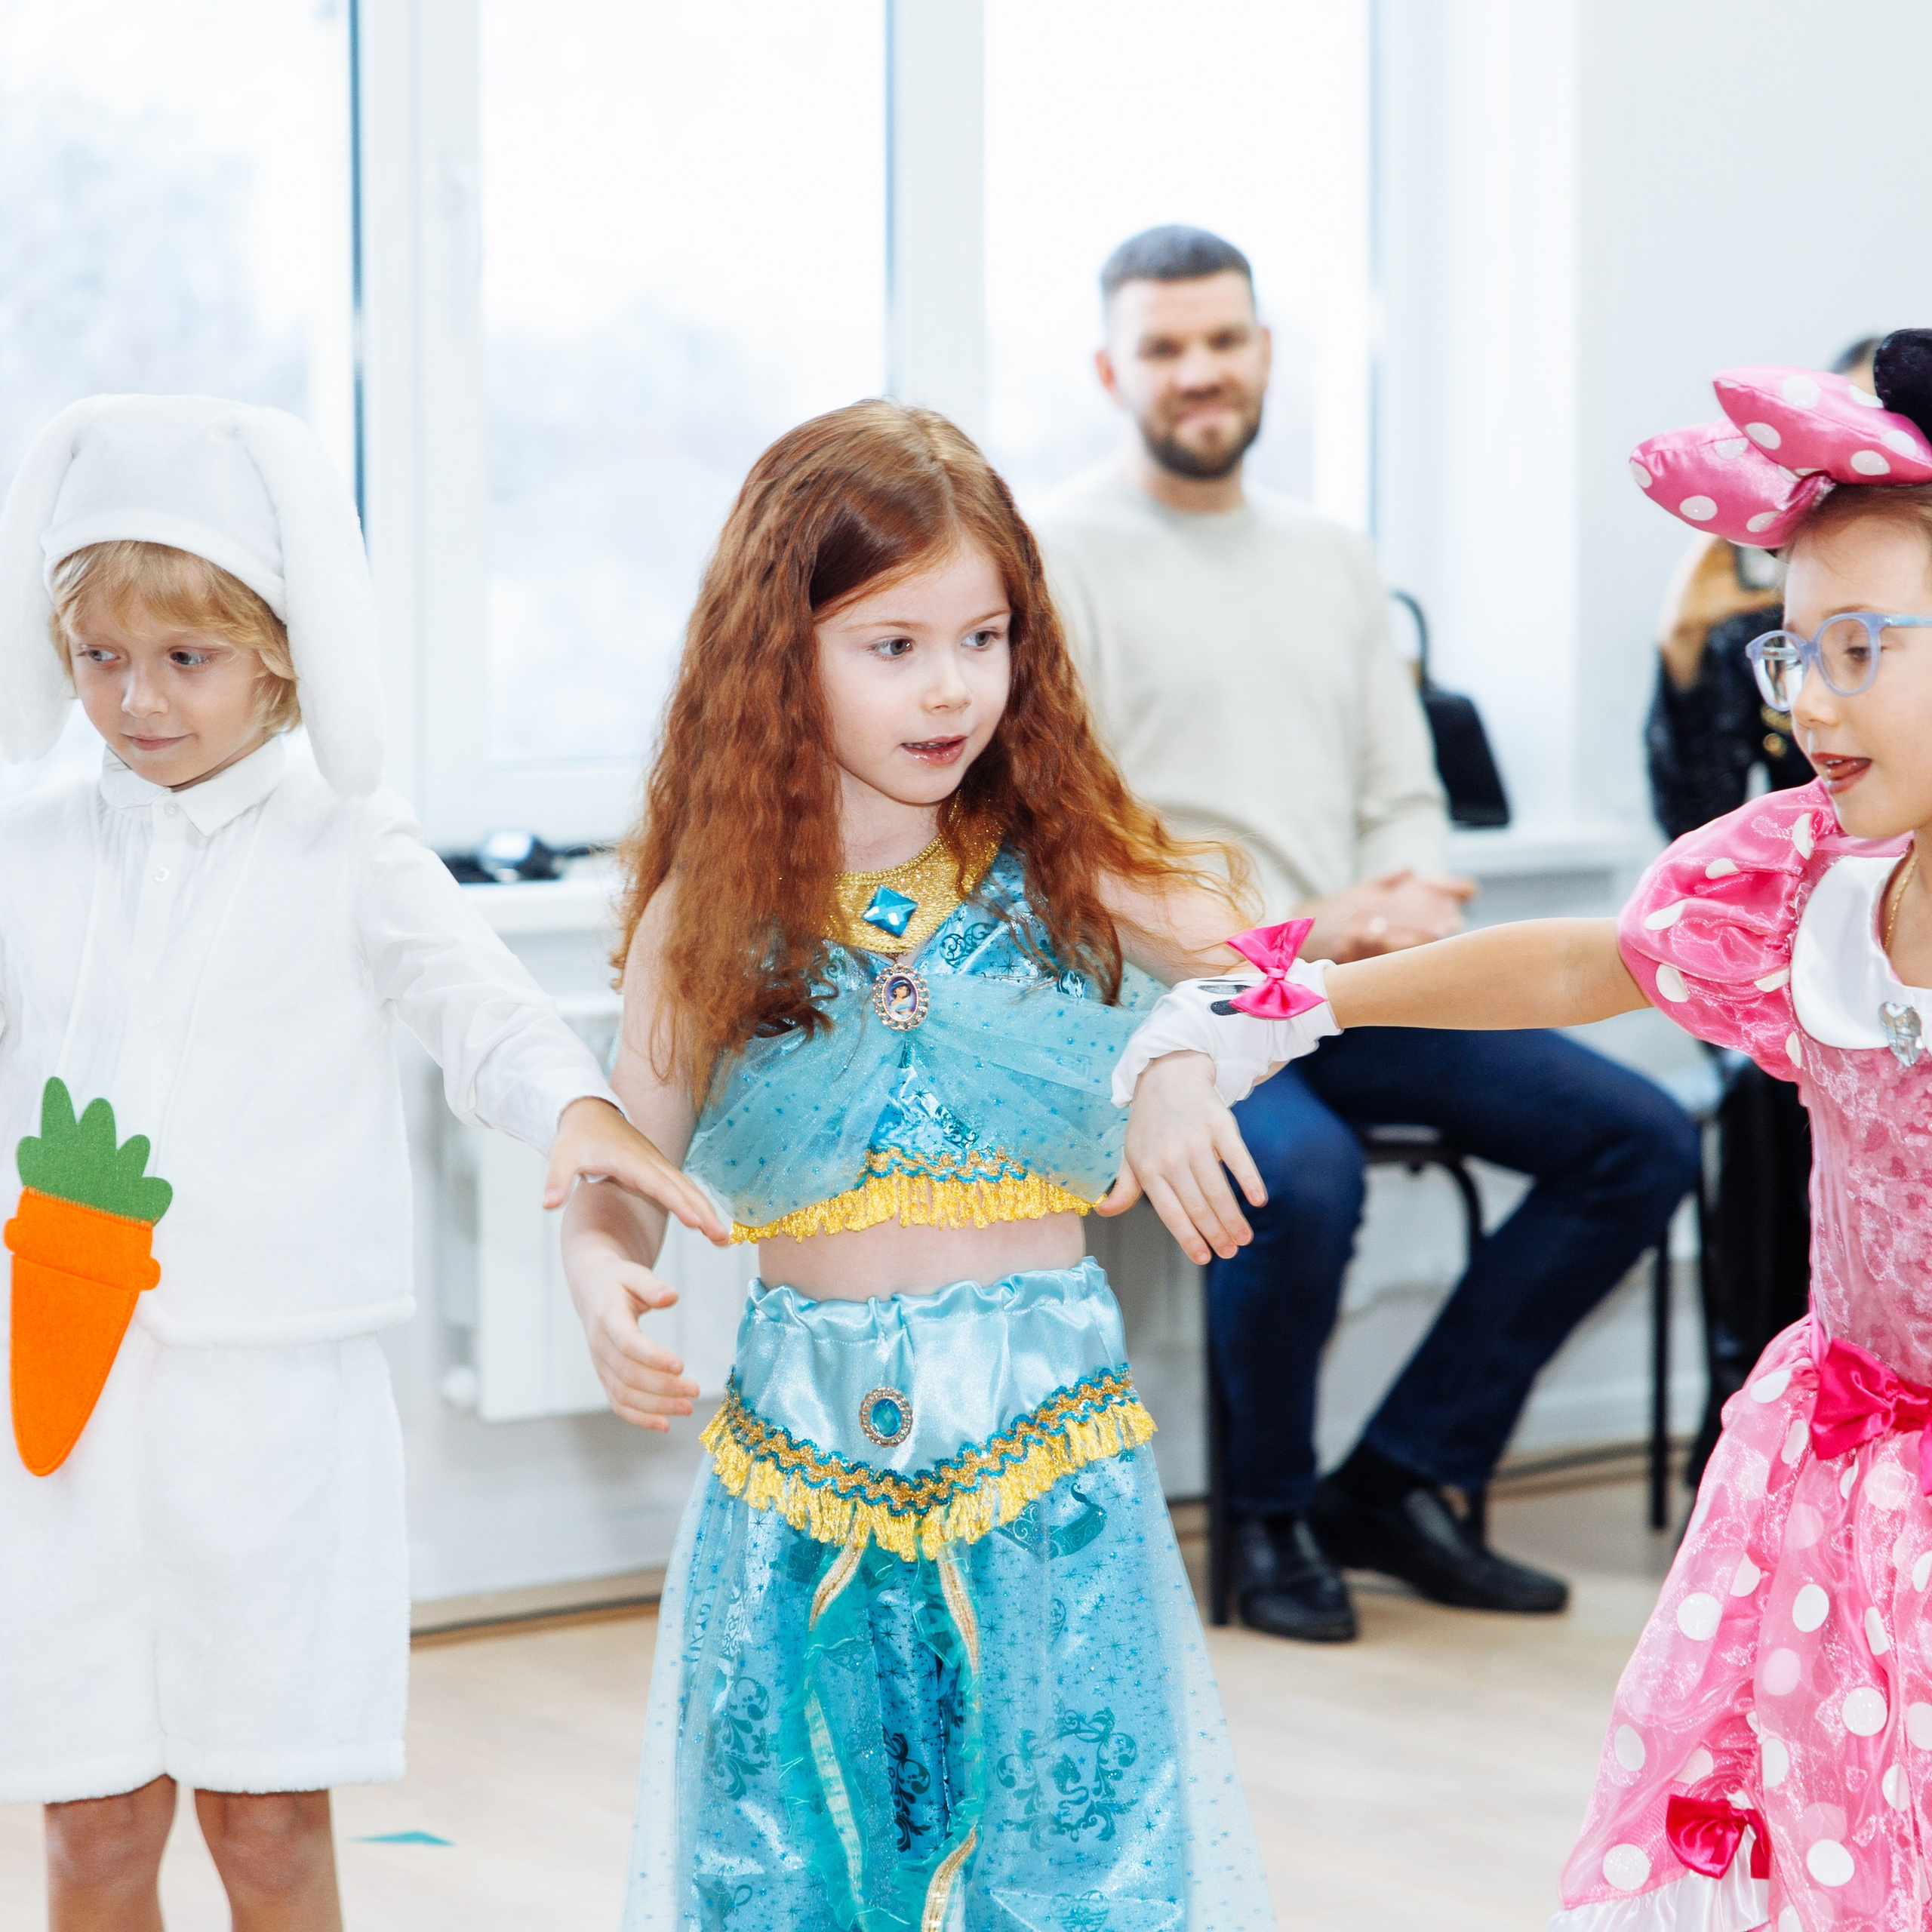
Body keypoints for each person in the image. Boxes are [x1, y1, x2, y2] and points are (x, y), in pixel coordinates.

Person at [1117, 331, 1932, 1929]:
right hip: (1847, 1473)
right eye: (1788, 657)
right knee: (1834, 1839)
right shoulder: (1803, 874)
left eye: (1857, 648)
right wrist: (1297, 999)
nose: (1808, 707)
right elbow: (1582, 957)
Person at [0, 395, 721, 1932]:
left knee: (264, 1814)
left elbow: (484, 1011)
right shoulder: (34, 843)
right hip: (62, 1403)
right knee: (92, 1820)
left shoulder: (346, 836)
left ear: (277, 649)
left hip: (274, 1409)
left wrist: (578, 1110)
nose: (138, 698)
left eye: (184, 657)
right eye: (102, 656)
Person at [561, 401, 1278, 1928]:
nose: (948, 686)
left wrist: (1170, 1059)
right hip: (797, 1456)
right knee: (788, 1843)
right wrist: (595, 1260)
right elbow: (628, 1145)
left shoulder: (1066, 857)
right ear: (781, 653)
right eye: (890, 645)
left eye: (981, 636)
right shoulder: (715, 908)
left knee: (1072, 1839)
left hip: (1044, 1451)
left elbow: (1282, 981)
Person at [1033, 225, 1700, 1644]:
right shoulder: (1055, 560)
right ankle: (1268, 1520)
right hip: (1175, 1011)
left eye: (1224, 339)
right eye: (1164, 348)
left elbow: (1405, 794)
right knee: (1306, 1181)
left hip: (1347, 989)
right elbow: (1070, 845)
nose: (1200, 372)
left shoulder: (1334, 557)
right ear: (1112, 371)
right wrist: (1292, 935)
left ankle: (1398, 1480)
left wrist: (1397, 910)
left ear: (1266, 351)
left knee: (1641, 1138)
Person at [1646, 336, 1879, 1483]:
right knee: (1760, 1089)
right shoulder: (1775, 651)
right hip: (1796, 969)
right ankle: (1743, 1371)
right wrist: (1688, 662)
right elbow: (1689, 825)